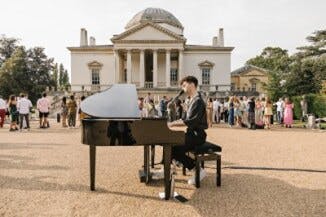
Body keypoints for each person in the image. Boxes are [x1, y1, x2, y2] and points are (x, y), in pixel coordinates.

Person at [168, 76, 208, 185]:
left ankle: (198, 170)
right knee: (170, 143)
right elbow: (185, 119)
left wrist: (172, 124)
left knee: (174, 148)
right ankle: (169, 168)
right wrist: (173, 123)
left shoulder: (198, 101)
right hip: (191, 133)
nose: (183, 88)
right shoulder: (191, 100)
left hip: (197, 135)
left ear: (192, 84)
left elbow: (191, 121)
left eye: (184, 85)